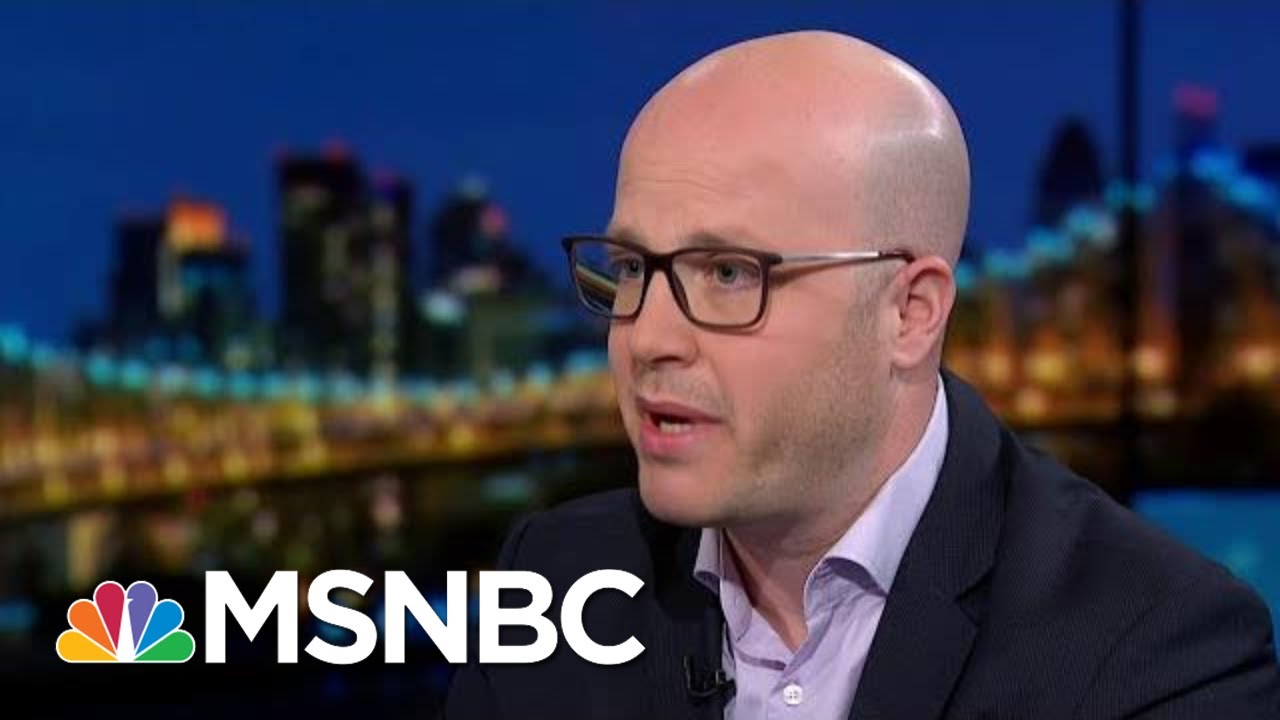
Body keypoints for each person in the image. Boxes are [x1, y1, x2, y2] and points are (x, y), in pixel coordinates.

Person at [440, 30, 1280, 719]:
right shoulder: (557, 579)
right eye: (630, 267)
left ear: (909, 313)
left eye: (727, 272)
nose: (646, 336)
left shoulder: (1157, 648)